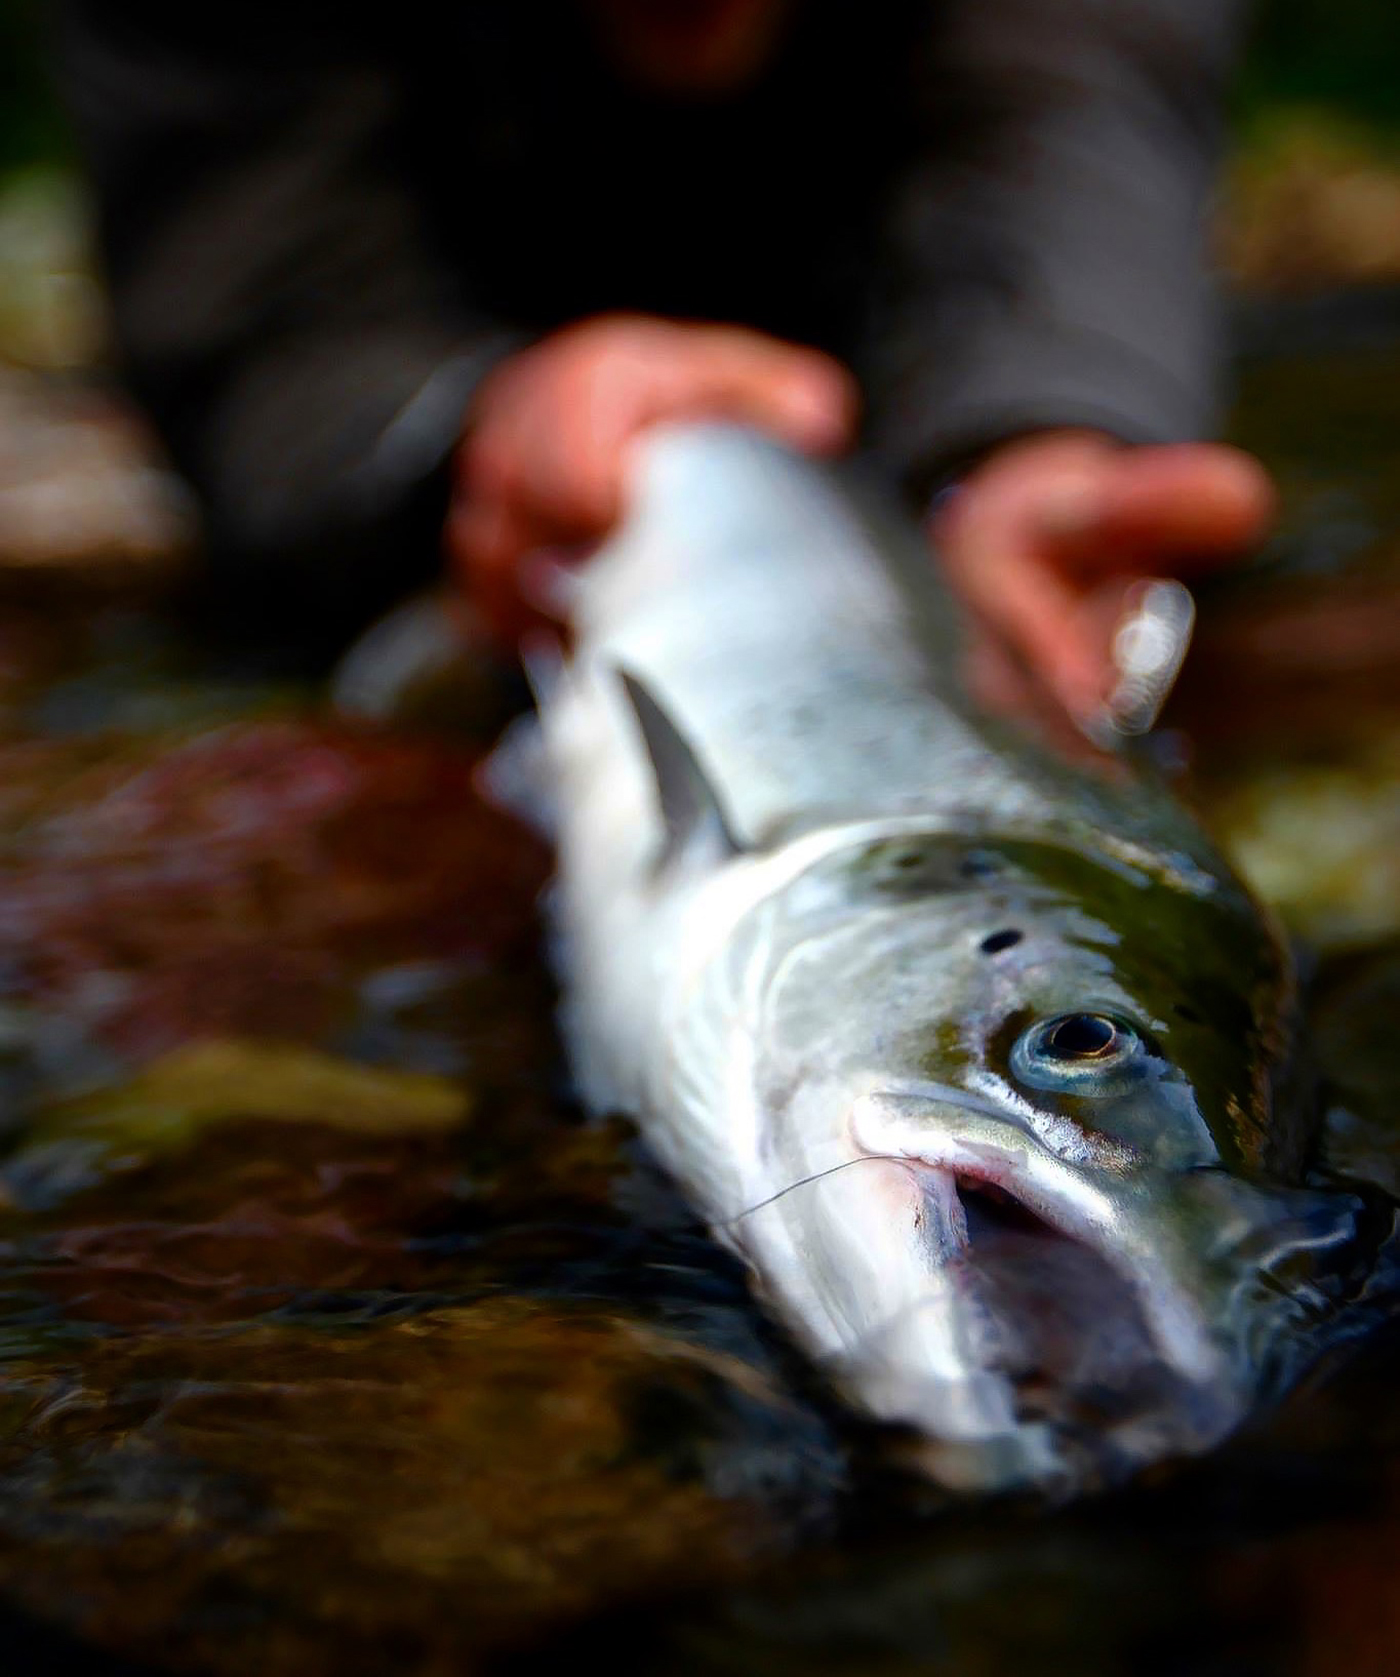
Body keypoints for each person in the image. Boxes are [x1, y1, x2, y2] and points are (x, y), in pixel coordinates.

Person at [54, 0, 1273, 722]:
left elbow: (1069, 128)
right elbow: (265, 300)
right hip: (458, 337)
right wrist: (457, 438)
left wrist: (1033, 431)